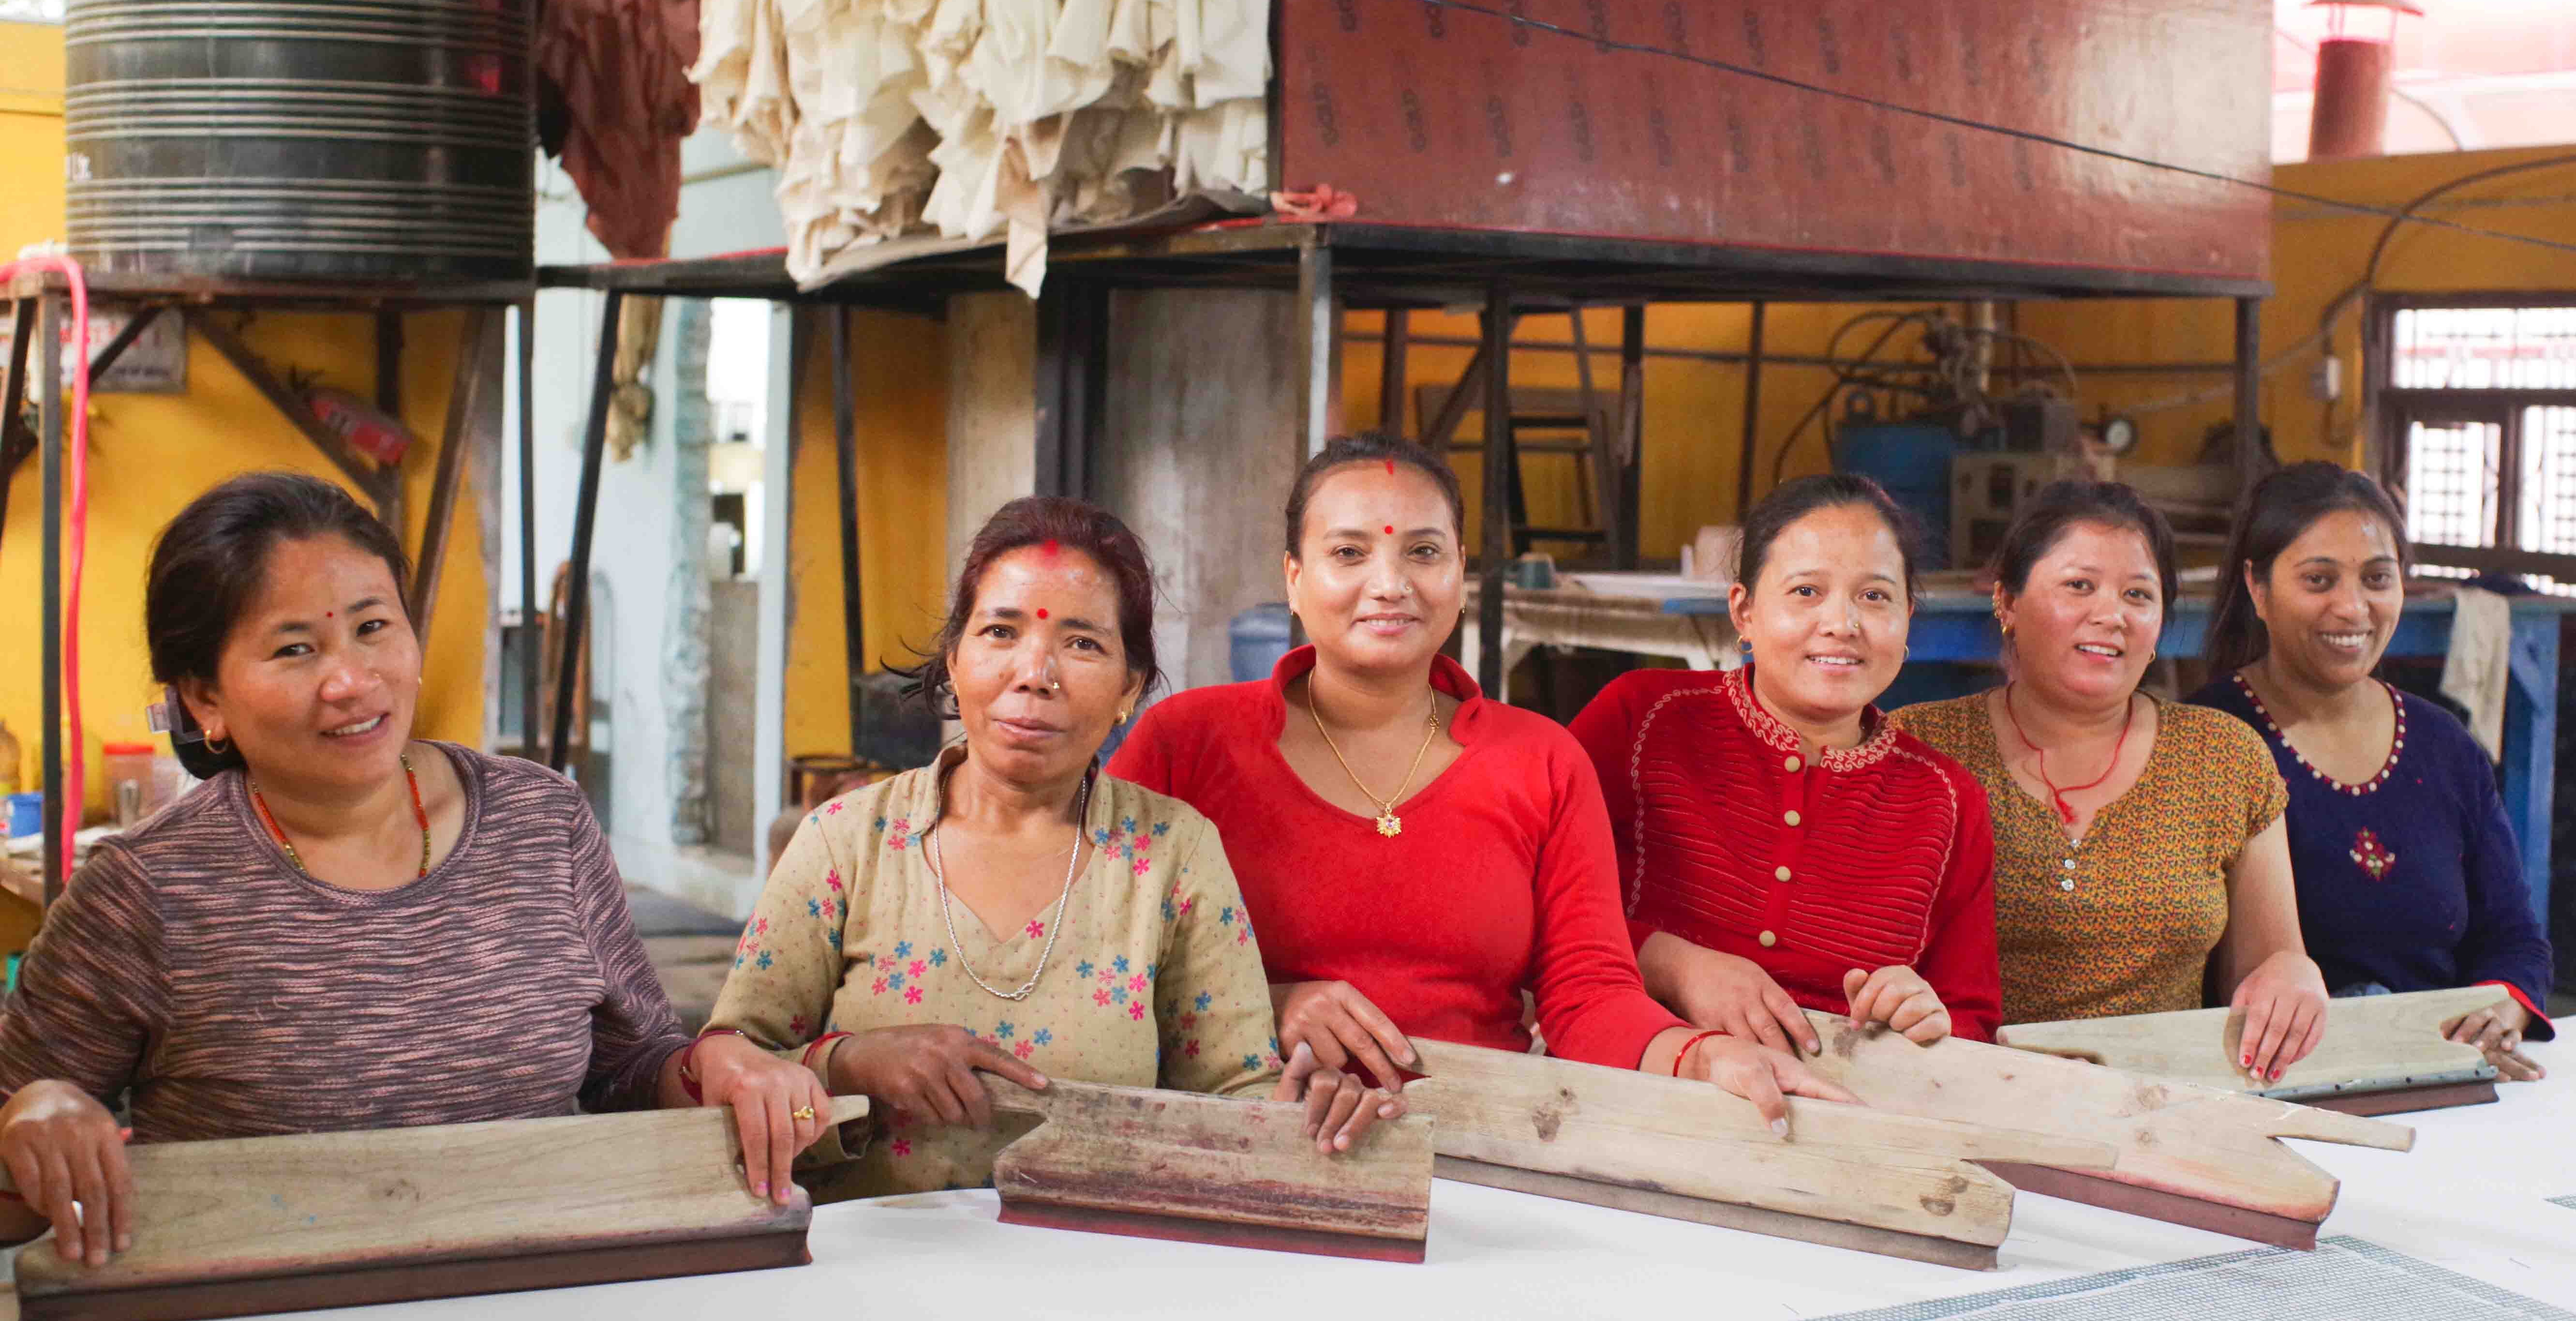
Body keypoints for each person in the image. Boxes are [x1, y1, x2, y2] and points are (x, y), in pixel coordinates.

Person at [0, 473, 824, 1270]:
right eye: (295, 648)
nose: (352, 683)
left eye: (373, 627)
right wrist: (34, 1117)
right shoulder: (148, 891)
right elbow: (15, 1135)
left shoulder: (542, 823)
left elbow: (630, 1073)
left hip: (545, 1305)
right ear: (204, 698)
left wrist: (711, 1068)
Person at [1110, 435, 1852, 1130]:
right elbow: (1098, 963)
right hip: (1238, 1139)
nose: (1390, 583)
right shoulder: (1187, 743)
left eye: (1424, 552)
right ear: (1295, 581)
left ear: (1460, 575)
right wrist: (1256, 1006)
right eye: (1349, 552)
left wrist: (1701, 1056)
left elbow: (1588, 995)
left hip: (1481, 1147)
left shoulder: (1541, 761)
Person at [706, 496, 1396, 1198]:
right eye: (1001, 631)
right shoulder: (849, 841)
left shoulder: (1171, 854)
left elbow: (1235, 1096)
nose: (1035, 673)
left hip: (1102, 1277)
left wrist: (1314, 1118)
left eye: (1083, 643)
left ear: (1129, 689)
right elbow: (723, 1065)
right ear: (954, 658)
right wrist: (847, 1065)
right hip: (862, 1270)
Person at [1892, 480, 2329, 1081]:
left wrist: (2294, 974)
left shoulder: (2223, 756)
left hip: (2162, 1103)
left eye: (2138, 595)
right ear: (2008, 603)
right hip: (1960, 1095)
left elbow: (2268, 964)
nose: (2111, 615)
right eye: (2079, 586)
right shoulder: (1915, 750)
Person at [1569, 473, 1999, 1055]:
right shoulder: (1645, 718)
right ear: (1744, 612)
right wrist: (1674, 965)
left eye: (1875, 596)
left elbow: (1970, 1017)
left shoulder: (1948, 799)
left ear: (1908, 621)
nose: (1842, 625)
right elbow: (1533, 907)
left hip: (1848, 1109)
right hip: (1636, 1073)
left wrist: (1925, 1015)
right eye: (1806, 592)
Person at [2190, 462, 2551, 1079]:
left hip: (2441, 1070)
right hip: (2268, 1082)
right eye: (2319, 580)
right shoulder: (2204, 742)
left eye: (2378, 579)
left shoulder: (2444, 746)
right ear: (2258, 588)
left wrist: (2503, 1005)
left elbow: (2514, 935)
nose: (2353, 608)